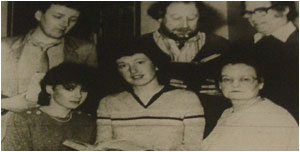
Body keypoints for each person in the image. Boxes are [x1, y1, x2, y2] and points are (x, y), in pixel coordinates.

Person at [138, 1, 231, 137]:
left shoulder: (221, 45)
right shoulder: (138, 45)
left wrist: (225, 90)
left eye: (192, 18)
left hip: (208, 125)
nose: (185, 25)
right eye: (176, 18)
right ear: (160, 17)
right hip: (155, 124)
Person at [94, 42, 205, 150]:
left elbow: (193, 146)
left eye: (140, 62)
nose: (133, 70)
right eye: (123, 65)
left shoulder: (187, 99)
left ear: (155, 64)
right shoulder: (108, 103)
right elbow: (103, 145)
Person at [1, 1, 98, 112]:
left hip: (58, 125)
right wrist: (5, 103)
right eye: (58, 16)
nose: (65, 24)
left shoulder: (84, 50)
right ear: (39, 15)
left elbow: (91, 94)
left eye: (73, 20)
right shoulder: (4, 46)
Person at [200, 58, 298, 150]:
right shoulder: (228, 113)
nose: (235, 84)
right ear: (220, 85)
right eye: (227, 79)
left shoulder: (273, 117)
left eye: (245, 79)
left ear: (260, 83)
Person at [2, 63, 97, 150]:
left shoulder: (87, 121)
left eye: (83, 90)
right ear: (50, 89)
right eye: (70, 88)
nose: (78, 95)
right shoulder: (25, 119)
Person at [237, 1, 298, 122]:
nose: (254, 18)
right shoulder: (244, 45)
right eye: (249, 13)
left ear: (284, 9)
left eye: (261, 11)